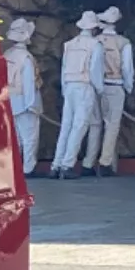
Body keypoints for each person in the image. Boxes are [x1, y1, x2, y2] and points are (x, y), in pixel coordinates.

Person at [51, 11, 100, 179]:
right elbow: (95, 71)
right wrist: (98, 89)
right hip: (85, 86)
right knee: (79, 126)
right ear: (94, 28)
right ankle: (67, 164)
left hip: (70, 86)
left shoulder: (69, 44)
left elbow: (64, 69)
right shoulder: (95, 45)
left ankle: (56, 164)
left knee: (66, 126)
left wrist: (65, 89)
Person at [91, 6, 135, 176]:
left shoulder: (96, 41)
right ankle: (105, 162)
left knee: (95, 124)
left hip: (97, 86)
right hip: (115, 85)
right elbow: (127, 68)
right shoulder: (124, 43)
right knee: (112, 125)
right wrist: (128, 87)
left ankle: (88, 161)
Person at [3, 18, 41, 177]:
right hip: (25, 101)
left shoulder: (7, 54)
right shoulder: (26, 58)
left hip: (10, 99)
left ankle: (16, 167)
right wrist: (31, 104)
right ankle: (28, 168)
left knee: (15, 137)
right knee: (30, 137)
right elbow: (29, 83)